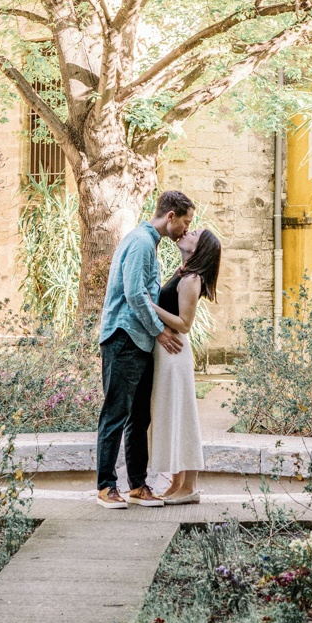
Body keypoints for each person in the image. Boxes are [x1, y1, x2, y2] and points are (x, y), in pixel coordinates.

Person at [94, 190, 194, 509]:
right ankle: (106, 487)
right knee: (116, 413)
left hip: (139, 341)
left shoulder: (149, 243)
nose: (186, 230)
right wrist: (161, 332)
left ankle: (138, 485)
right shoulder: (140, 241)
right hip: (124, 336)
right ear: (171, 217)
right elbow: (135, 294)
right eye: (185, 222)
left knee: (139, 417)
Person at [149, 227, 219, 504]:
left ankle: (189, 487)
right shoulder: (182, 273)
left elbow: (185, 324)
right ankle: (176, 483)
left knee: (183, 415)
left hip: (174, 352)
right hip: (166, 352)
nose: (187, 232)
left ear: (200, 247)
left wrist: (148, 306)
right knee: (173, 415)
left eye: (195, 234)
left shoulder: (192, 279)